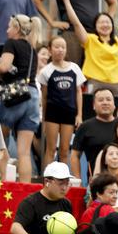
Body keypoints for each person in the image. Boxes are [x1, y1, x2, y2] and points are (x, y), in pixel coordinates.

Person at [60, 0, 118, 97]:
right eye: (101, 22)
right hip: (95, 83)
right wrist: (66, 1)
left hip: (115, 85)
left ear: (112, 25)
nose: (105, 24)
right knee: (91, 111)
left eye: (108, 22)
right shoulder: (90, 40)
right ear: (95, 26)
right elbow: (76, 23)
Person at [0, 14, 40, 182]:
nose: (7, 30)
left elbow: (4, 67)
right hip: (32, 95)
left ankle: (4, 180)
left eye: (9, 27)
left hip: (15, 95)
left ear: (17, 29)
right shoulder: (32, 49)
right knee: (24, 152)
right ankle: (24, 188)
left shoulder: (11, 44)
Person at [31, 0, 118, 64]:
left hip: (93, 35)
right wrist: (51, 22)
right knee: (71, 73)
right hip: (71, 34)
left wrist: (106, 22)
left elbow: (113, 2)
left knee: (93, 73)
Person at [38, 35, 84, 167]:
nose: (60, 50)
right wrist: (45, 119)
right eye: (57, 47)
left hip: (69, 113)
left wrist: (79, 114)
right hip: (52, 113)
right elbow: (44, 96)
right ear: (50, 50)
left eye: (63, 47)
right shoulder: (46, 71)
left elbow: (78, 92)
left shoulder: (74, 68)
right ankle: (47, 178)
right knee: (51, 149)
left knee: (64, 151)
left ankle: (62, 179)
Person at [70, 87, 115, 179]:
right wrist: (78, 180)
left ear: (114, 104)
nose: (105, 102)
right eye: (101, 100)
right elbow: (75, 155)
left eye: (108, 99)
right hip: (95, 179)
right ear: (94, 105)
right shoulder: (85, 127)